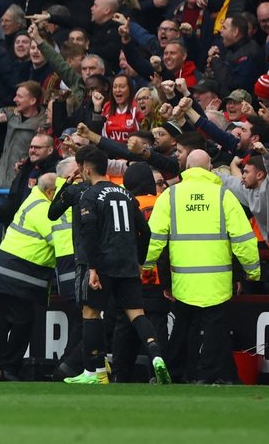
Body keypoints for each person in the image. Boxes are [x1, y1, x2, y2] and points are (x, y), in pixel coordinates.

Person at [145, 149, 261, 384]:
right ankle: (210, 376)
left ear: (186, 168)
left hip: (184, 280)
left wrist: (146, 265)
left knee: (181, 329)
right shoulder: (223, 196)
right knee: (215, 331)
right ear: (210, 169)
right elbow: (242, 238)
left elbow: (154, 236)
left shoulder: (171, 195)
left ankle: (177, 374)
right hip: (217, 280)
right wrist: (253, 270)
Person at [65, 145, 170, 385]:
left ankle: (95, 372)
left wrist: (92, 268)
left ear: (88, 169)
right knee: (137, 315)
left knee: (90, 313)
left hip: (104, 264)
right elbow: (146, 231)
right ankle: (156, 357)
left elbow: (89, 232)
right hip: (128, 264)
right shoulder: (126, 194)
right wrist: (140, 260)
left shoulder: (91, 195)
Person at [0, 171, 63, 381]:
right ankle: (7, 368)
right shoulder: (45, 209)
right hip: (22, 275)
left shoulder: (32, 200)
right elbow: (58, 240)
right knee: (23, 323)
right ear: (51, 192)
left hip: (5, 271)